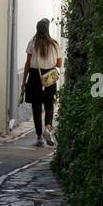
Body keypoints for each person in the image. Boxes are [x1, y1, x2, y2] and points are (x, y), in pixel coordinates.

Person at [22, 18, 62, 147]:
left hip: (35, 77)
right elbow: (59, 64)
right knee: (49, 105)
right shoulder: (54, 44)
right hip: (49, 77)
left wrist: (24, 81)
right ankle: (47, 128)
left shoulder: (32, 43)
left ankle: (39, 137)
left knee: (36, 108)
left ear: (37, 29)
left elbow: (28, 64)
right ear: (47, 29)